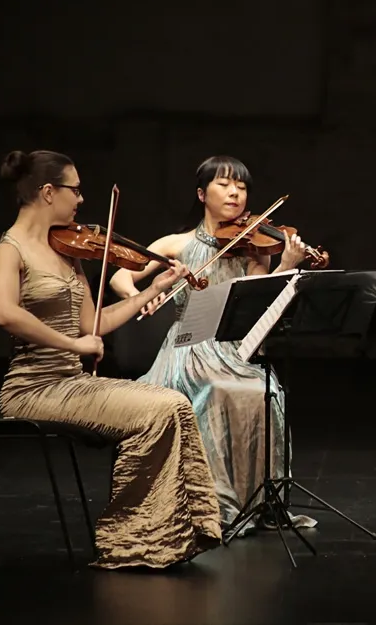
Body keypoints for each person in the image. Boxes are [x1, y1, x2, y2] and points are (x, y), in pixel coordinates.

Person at [0, 149, 222, 570]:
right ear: (47, 192)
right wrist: (74, 346)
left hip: (72, 384)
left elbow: (94, 323)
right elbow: (4, 312)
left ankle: (165, 534)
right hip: (32, 389)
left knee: (173, 403)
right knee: (162, 408)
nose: (81, 200)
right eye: (75, 190)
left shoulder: (67, 251)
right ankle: (130, 540)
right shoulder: (8, 250)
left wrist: (154, 289)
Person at [109, 155, 316, 539]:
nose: (235, 192)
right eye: (224, 184)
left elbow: (260, 300)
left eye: (241, 186)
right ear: (202, 194)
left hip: (234, 349)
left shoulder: (254, 246)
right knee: (216, 392)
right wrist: (144, 296)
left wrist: (285, 264)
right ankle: (211, 506)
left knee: (267, 393)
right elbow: (121, 276)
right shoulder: (176, 243)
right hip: (188, 348)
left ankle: (259, 500)